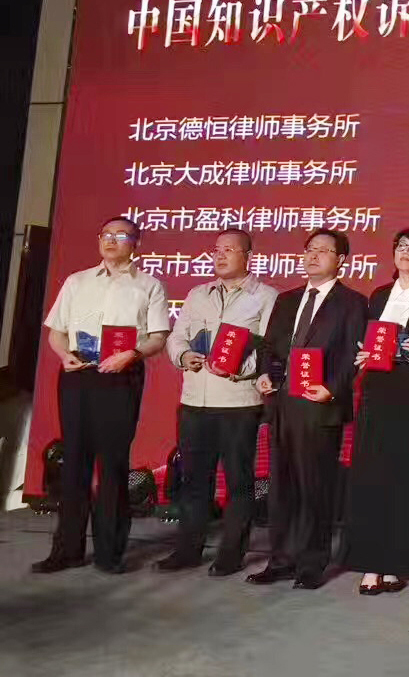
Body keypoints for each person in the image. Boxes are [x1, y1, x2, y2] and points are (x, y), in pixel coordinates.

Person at [32, 216, 169, 575]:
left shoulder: (149, 285)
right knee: (74, 461)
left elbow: (158, 337)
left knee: (112, 464)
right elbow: (57, 331)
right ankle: (67, 550)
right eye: (105, 234)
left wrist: (131, 354)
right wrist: (64, 355)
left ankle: (109, 552)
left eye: (120, 235)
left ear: (136, 244)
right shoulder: (77, 281)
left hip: (121, 377)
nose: (110, 240)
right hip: (77, 374)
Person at [247, 229, 366, 590]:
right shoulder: (287, 299)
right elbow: (270, 347)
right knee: (281, 486)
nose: (313, 256)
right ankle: (281, 559)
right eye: (310, 250)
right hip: (283, 403)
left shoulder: (352, 302)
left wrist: (332, 388)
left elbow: (352, 355)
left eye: (323, 251)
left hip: (320, 404)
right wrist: (265, 374)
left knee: (315, 486)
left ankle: (311, 564)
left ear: (341, 260)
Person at [156, 229, 278, 576]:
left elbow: (270, 349)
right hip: (195, 399)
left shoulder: (266, 297)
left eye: (229, 250)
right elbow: (177, 336)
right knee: (194, 480)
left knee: (238, 482)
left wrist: (238, 368)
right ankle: (187, 550)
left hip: (238, 402)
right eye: (216, 250)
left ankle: (230, 555)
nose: (220, 255)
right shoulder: (198, 294)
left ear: (248, 256)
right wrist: (183, 356)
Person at [344, 228, 409, 596]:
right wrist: (363, 355)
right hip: (376, 389)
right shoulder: (378, 295)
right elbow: (367, 339)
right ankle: (370, 563)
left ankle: (397, 564)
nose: (405, 252)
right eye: (400, 246)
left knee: (405, 473)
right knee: (371, 473)